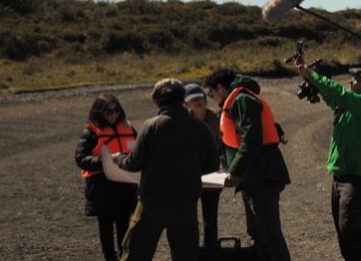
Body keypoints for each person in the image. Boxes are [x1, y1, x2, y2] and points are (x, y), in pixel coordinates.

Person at [295, 60, 361, 260]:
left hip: (357, 175)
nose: (350, 81)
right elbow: (334, 96)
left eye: (355, 79)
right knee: (342, 231)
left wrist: (312, 75)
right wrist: (314, 81)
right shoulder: (350, 104)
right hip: (339, 173)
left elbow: (341, 94)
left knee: (349, 226)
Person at [114, 78, 220, 261]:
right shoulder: (200, 128)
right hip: (185, 203)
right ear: (183, 98)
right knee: (185, 255)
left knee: (136, 253)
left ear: (157, 100)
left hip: (152, 201)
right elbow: (211, 166)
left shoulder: (151, 125)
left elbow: (134, 163)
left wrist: (119, 159)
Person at [203, 69, 291, 261]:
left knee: (269, 234)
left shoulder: (243, 100)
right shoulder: (240, 99)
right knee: (257, 233)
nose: (212, 99)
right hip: (252, 176)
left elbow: (252, 141)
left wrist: (233, 172)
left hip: (261, 176)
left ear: (220, 87)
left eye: (211, 93)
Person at [74, 94, 139, 261]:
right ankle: (110, 258)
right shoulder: (90, 132)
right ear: (99, 112)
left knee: (124, 224)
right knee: (106, 227)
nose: (113, 115)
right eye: (108, 112)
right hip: (102, 188)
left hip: (125, 185)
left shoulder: (129, 128)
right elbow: (80, 159)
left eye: (116, 111)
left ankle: (125, 257)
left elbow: (140, 151)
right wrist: (107, 161)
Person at [184, 83, 223, 249]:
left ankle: (211, 250)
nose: (197, 102)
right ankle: (191, 251)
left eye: (199, 97)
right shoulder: (183, 122)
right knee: (189, 219)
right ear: (186, 103)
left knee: (211, 219)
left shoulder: (217, 117)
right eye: (192, 99)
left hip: (213, 173)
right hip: (189, 175)